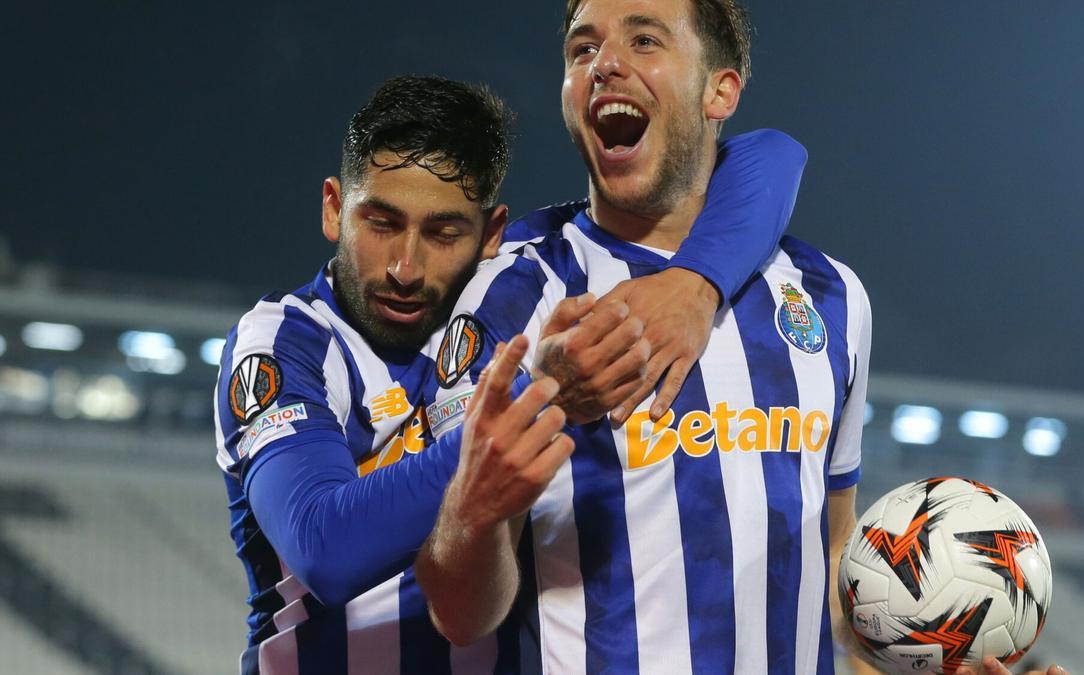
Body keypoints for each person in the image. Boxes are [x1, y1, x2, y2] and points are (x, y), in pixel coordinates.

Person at [418, 2, 1064, 675]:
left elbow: (833, 555)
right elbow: (460, 614)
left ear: (719, 91)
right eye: (582, 50)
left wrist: (919, 658)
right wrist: (479, 501)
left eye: (644, 40)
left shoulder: (831, 296)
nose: (605, 63)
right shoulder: (512, 295)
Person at [214, 74, 808, 673]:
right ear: (334, 208)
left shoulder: (514, 291)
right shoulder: (284, 341)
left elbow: (773, 155)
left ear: (491, 234)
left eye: (444, 233)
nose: (404, 266)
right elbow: (324, 546)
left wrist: (694, 284)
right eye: (381, 223)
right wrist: (542, 401)